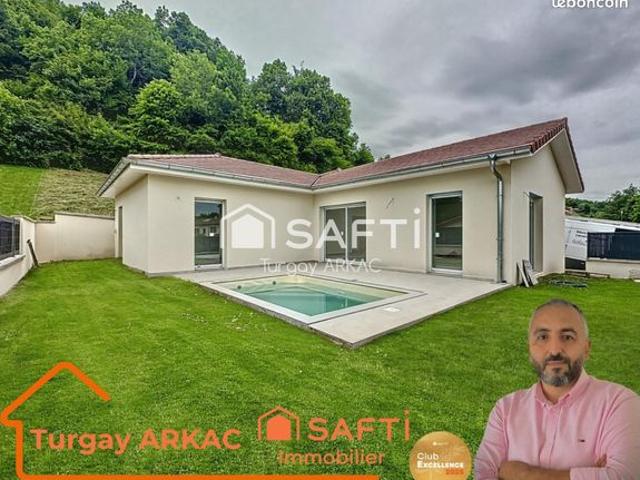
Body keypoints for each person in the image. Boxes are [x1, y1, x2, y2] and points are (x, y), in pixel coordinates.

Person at [474, 299, 640, 480]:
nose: (554, 350)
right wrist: (589, 474)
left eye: (567, 337)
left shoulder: (620, 403)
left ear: (586, 348)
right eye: (543, 337)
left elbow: (624, 476)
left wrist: (522, 474)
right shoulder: (505, 410)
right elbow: (483, 474)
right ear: (529, 349)